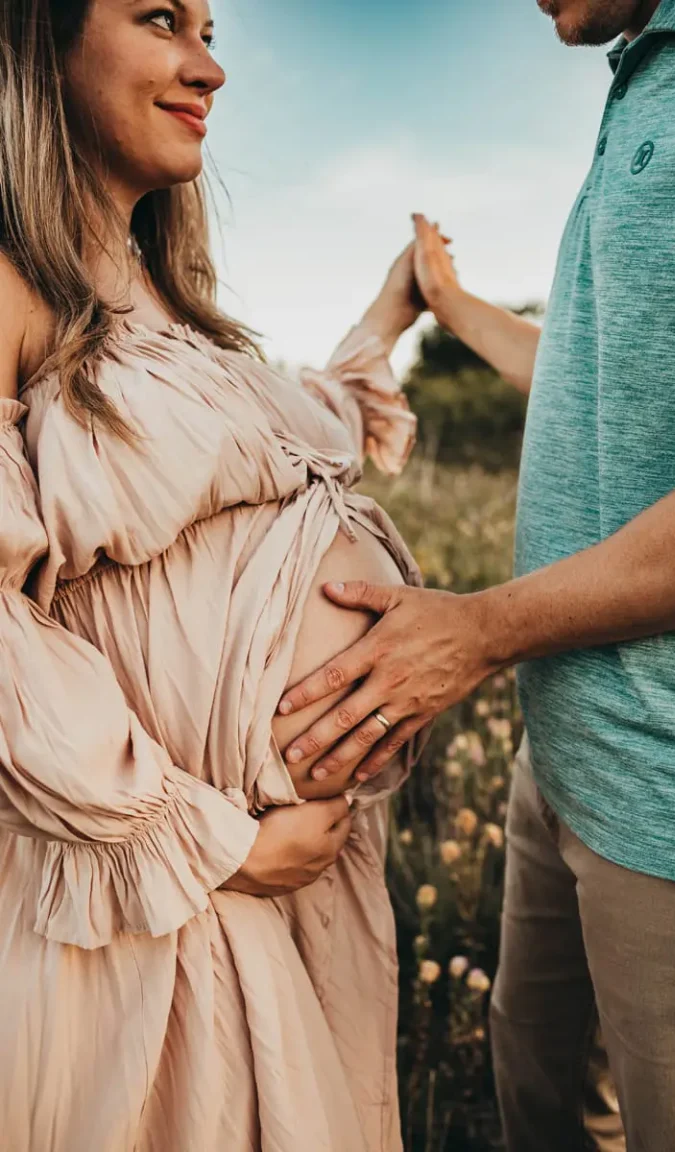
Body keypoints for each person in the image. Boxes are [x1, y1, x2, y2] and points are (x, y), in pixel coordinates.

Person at [277, 0, 675, 1148]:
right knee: (540, 1098)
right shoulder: (647, 70)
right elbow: (605, 377)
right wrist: (446, 307)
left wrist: (480, 630)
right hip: (566, 762)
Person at [0, 1, 431, 1148]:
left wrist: (391, 312)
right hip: (161, 905)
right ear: (41, 38)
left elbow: (307, 435)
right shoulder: (13, 287)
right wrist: (201, 835)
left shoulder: (178, 314)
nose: (212, 66)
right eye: (161, 21)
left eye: (210, 26)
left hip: (295, 890)